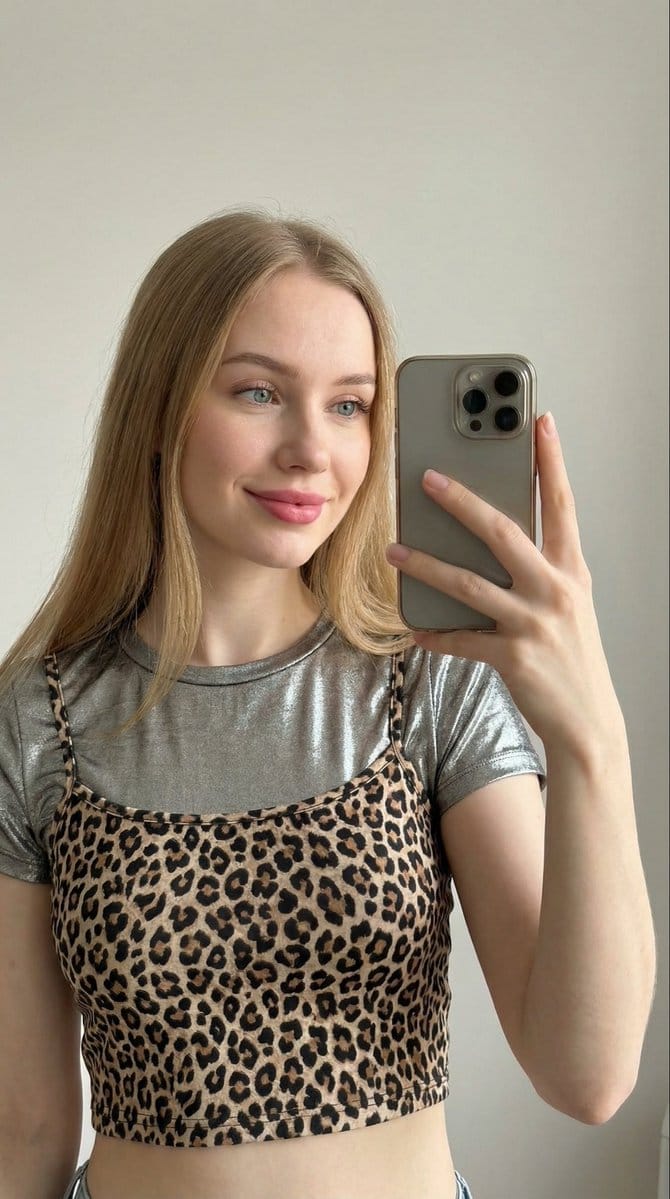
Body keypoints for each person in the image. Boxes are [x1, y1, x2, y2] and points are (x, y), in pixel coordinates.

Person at [0, 209, 656, 1199]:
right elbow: (28, 1129)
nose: (312, 449)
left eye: (349, 405)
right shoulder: (36, 717)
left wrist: (592, 735)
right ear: (160, 404)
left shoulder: (432, 680)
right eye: (260, 391)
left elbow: (587, 1075)